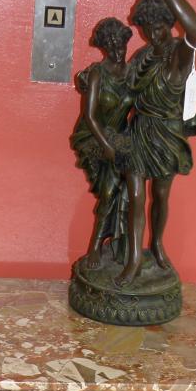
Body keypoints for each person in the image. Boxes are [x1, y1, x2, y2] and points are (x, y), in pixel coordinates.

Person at [116, 0, 196, 286]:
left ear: (169, 23)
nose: (153, 34)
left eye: (158, 27)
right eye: (146, 28)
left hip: (166, 134)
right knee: (136, 196)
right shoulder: (142, 56)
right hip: (139, 131)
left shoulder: (179, 54)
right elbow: (126, 96)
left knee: (160, 194)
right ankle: (133, 260)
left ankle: (156, 243)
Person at [70, 17, 135, 269]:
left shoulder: (131, 73)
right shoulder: (98, 73)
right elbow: (89, 116)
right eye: (113, 48)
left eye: (122, 47)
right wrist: (107, 146)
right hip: (93, 136)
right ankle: (95, 248)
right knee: (109, 190)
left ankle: (119, 246)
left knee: (123, 188)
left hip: (120, 137)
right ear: (104, 48)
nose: (119, 52)